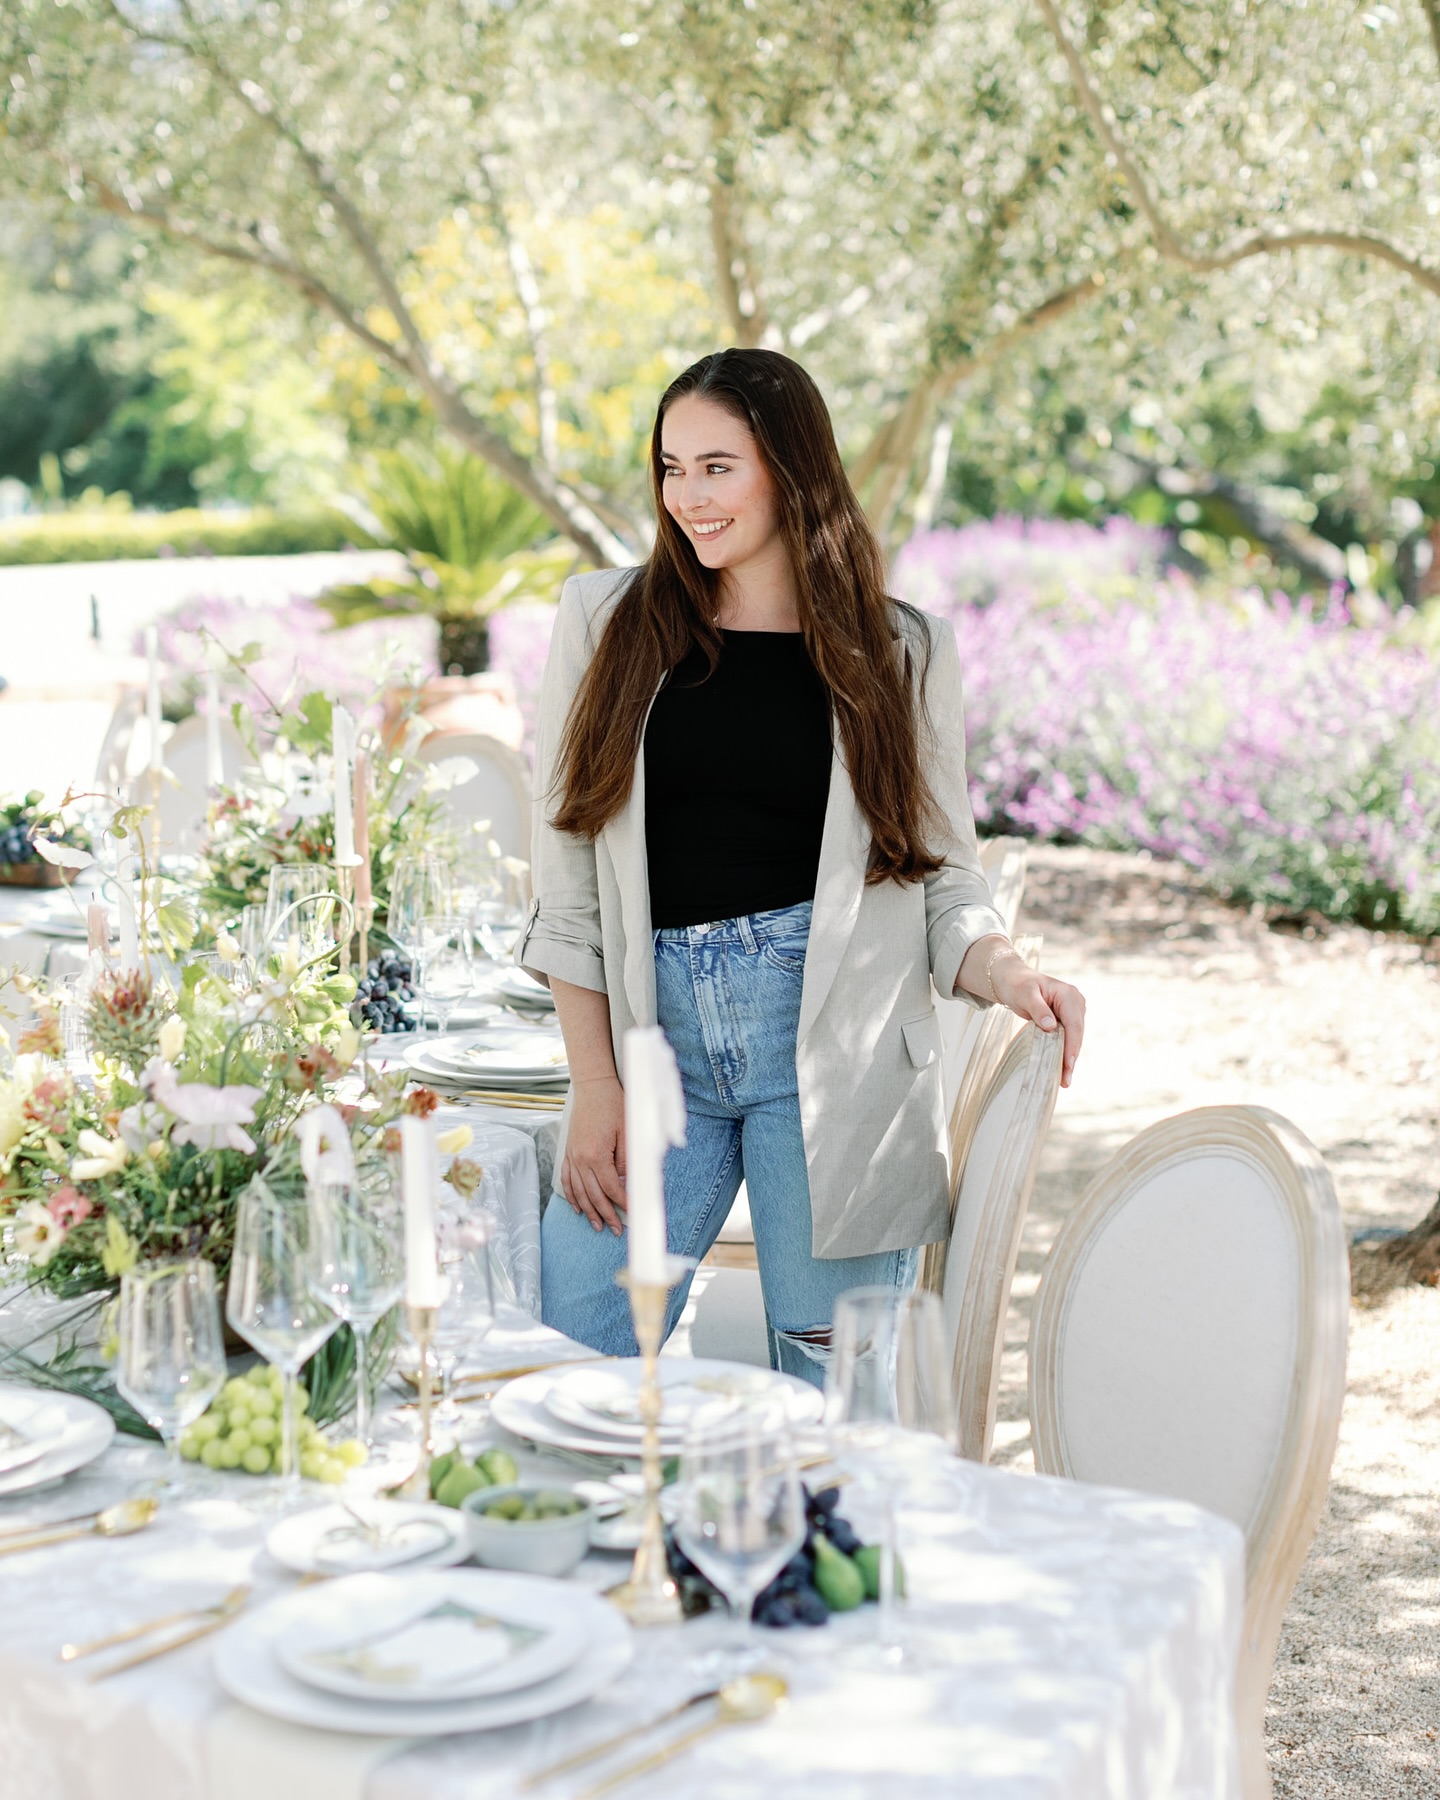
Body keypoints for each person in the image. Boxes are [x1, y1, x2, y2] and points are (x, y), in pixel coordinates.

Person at [518, 347, 1086, 1383]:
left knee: (830, 1406)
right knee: (569, 1366)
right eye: (671, 467)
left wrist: (1007, 972)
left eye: (717, 467)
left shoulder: (902, 653)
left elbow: (945, 877)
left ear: (790, 467)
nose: (687, 497)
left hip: (842, 1067)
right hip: (654, 1053)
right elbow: (565, 879)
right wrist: (593, 1079)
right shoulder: (605, 624)